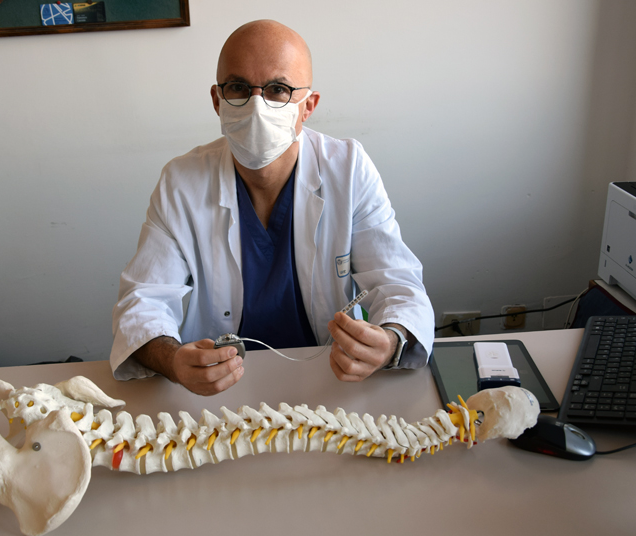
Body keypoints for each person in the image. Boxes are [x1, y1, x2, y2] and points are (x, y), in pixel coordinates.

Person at [110, 20, 434, 395]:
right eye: (238, 87)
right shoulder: (181, 182)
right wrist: (173, 361)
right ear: (217, 100)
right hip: (217, 391)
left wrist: (390, 340)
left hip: (329, 381)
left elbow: (397, 283)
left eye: (278, 90)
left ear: (308, 106)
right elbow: (143, 301)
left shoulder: (348, 169)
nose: (256, 106)